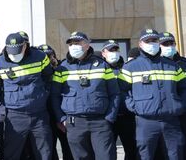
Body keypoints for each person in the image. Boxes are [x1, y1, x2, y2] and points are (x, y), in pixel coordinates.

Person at [51, 31, 120, 160]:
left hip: (100, 122)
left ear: (87, 45)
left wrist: (110, 117)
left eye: (77, 43)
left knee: (106, 157)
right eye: (71, 44)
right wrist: (61, 118)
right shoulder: (62, 68)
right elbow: (54, 96)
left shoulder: (102, 65)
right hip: (74, 123)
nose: (74, 46)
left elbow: (114, 94)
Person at [119, 29, 186, 159]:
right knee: (146, 155)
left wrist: (180, 105)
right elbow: (122, 91)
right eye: (147, 41)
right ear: (140, 44)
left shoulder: (173, 66)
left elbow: (184, 88)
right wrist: (134, 107)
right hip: (146, 122)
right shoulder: (130, 67)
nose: (151, 44)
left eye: (154, 40)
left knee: (176, 154)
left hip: (171, 121)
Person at [0, 33, 53, 160]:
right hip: (14, 115)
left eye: (17, 51)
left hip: (39, 114)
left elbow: (48, 78)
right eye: (11, 52)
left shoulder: (40, 57)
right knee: (11, 153)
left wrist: (41, 96)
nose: (14, 55)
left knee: (44, 153)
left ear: (25, 46)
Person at [100, 40, 137, 160]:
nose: (114, 53)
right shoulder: (99, 69)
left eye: (116, 50)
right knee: (108, 152)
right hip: (108, 118)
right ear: (103, 53)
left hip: (127, 116)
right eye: (111, 50)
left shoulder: (127, 67)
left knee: (132, 150)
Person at [35, 44, 73, 160]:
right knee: (48, 150)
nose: (49, 59)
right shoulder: (36, 71)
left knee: (68, 148)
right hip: (44, 116)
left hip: (61, 115)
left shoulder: (62, 68)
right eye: (45, 56)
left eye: (50, 55)